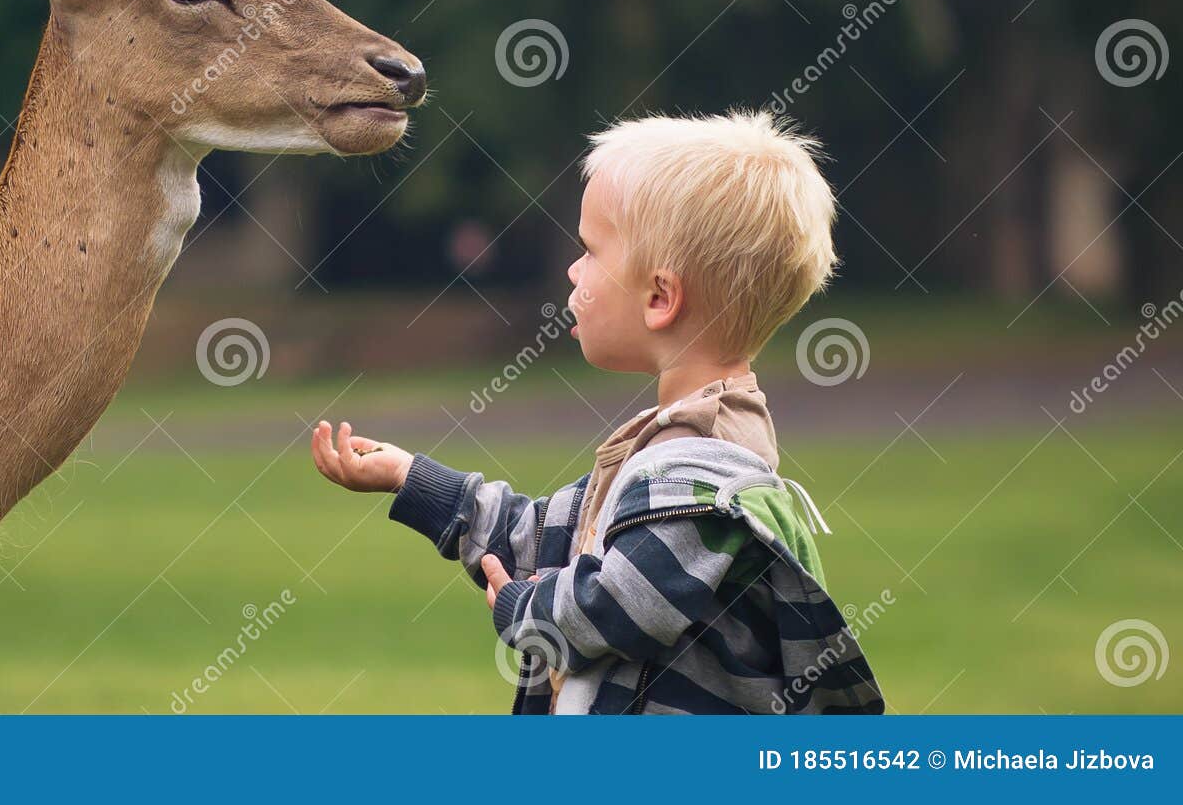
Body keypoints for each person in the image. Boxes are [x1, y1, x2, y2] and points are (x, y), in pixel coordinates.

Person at [311, 110, 884, 713]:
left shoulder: (700, 476)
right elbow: (539, 538)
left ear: (660, 298)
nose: (572, 269)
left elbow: (617, 607)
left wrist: (522, 609)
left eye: (590, 250)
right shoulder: (668, 449)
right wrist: (414, 479)